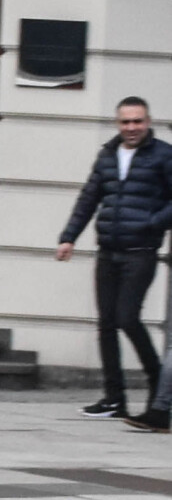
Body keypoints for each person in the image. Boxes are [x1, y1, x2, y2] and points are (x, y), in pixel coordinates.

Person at [56, 96, 172, 419]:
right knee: (106, 323)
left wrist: (152, 223)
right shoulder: (108, 155)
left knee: (127, 318)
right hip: (108, 250)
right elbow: (89, 197)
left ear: (148, 122)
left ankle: (158, 387)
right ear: (117, 123)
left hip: (141, 251)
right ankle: (113, 398)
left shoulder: (163, 156)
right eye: (125, 122)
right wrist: (68, 237)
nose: (131, 127)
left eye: (137, 121)